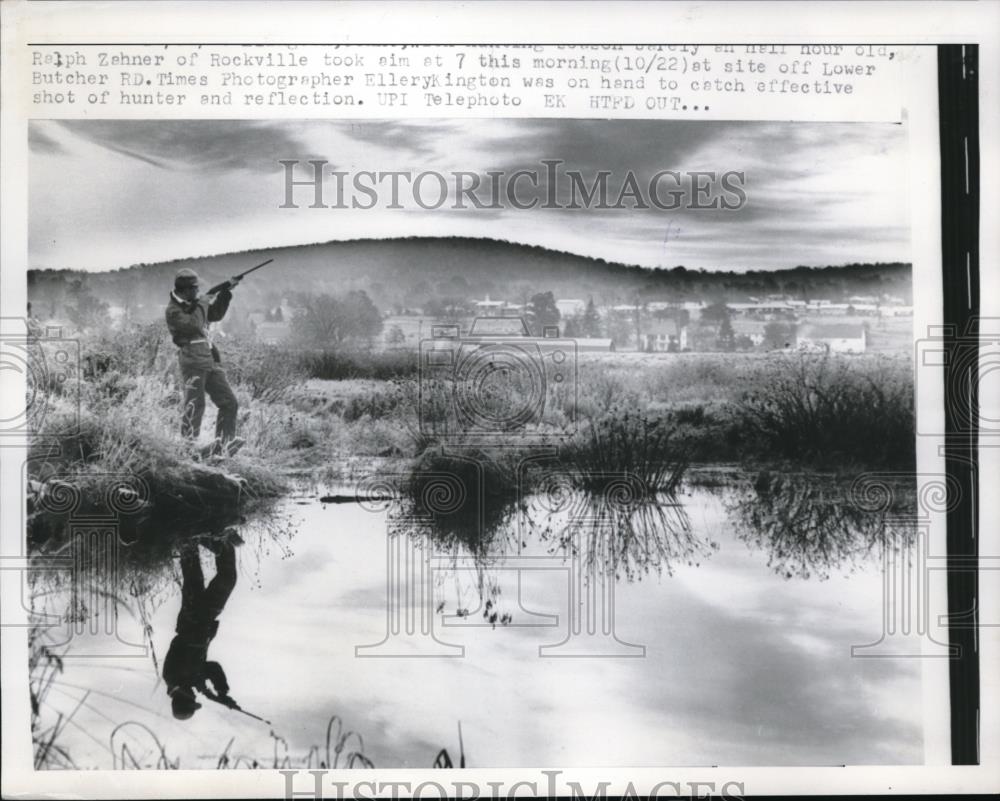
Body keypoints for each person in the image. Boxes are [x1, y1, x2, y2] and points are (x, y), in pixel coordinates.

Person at [165, 268, 243, 455]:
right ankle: (187, 449)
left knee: (229, 403)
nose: (197, 291)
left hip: (209, 359)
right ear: (184, 290)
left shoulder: (196, 303)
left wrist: (225, 293)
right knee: (195, 405)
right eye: (194, 288)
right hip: (193, 360)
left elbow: (215, 314)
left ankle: (223, 448)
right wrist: (203, 302)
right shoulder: (174, 310)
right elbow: (193, 324)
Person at [163, 536, 238, 720]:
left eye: (192, 700)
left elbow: (207, 668)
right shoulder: (181, 681)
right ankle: (197, 536)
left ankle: (220, 539)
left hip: (197, 617)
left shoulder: (175, 678)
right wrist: (220, 694)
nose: (195, 697)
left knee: (225, 578)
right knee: (193, 575)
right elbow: (209, 670)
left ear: (184, 700)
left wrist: (217, 692)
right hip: (197, 618)